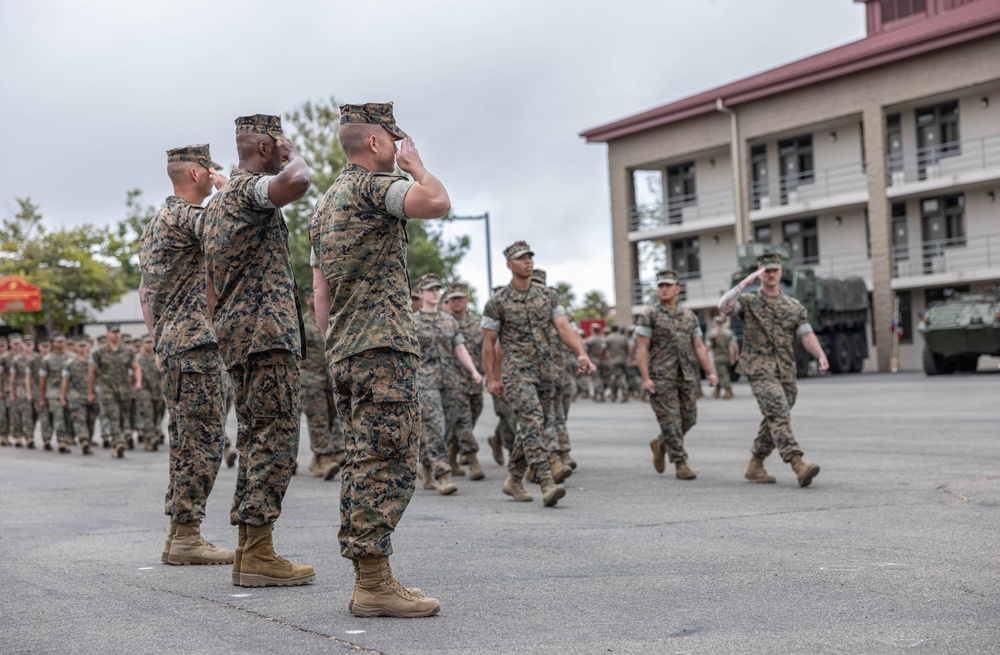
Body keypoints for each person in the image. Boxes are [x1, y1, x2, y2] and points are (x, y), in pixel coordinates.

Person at [310, 101, 447, 618]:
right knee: (389, 461)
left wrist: (336, 345)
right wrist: (417, 168)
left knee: (364, 458)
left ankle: (372, 577)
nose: (400, 147)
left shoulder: (324, 205)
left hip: (347, 348)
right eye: (396, 140)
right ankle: (373, 584)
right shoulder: (372, 187)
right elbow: (435, 201)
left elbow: (320, 293)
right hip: (382, 347)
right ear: (375, 143)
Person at [203, 117, 315, 587]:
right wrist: (295, 155)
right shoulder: (251, 188)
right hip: (266, 335)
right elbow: (300, 180)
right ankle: (258, 552)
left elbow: (209, 284)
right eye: (278, 144)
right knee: (276, 440)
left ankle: (250, 548)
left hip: (236, 334)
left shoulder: (215, 205)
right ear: (267, 146)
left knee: (254, 438)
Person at [139, 143, 234, 566]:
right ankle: (186, 536)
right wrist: (229, 189)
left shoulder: (155, 223)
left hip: (176, 343)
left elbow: (145, 293)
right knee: (203, 441)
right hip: (196, 344)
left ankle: (181, 532)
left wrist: (159, 340)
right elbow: (233, 227)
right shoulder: (189, 216)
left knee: (185, 439)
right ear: (196, 174)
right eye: (209, 168)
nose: (213, 173)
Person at [481, 241, 595, 507]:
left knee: (533, 426)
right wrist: (493, 377)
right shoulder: (497, 302)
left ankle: (514, 478)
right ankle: (546, 482)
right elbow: (489, 344)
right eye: (521, 258)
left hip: (546, 371)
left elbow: (564, 328)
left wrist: (581, 353)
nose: (528, 262)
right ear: (509, 264)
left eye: (530, 257)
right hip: (517, 372)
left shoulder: (548, 297)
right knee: (532, 420)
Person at [717, 252, 828, 487]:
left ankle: (755, 464)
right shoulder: (749, 301)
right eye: (766, 269)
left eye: (774, 269)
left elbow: (805, 333)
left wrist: (820, 355)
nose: (771, 273)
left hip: (786, 370)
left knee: (775, 416)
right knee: (778, 411)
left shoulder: (793, 306)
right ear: (759, 272)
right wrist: (746, 282)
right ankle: (798, 464)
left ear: (781, 272)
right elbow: (723, 306)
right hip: (759, 369)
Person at [635, 269, 718, 480]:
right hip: (661, 376)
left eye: (667, 285)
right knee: (671, 420)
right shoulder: (650, 315)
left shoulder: (689, 315)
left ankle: (661, 443)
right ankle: (681, 462)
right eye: (660, 286)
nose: (663, 289)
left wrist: (710, 372)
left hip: (686, 375)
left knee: (689, 418)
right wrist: (645, 378)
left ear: (677, 289)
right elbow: (642, 349)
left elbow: (698, 346)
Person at [443, 282, 487, 479]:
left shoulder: (477, 324)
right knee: (463, 422)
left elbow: (485, 350)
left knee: (472, 416)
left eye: (460, 298)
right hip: (452, 382)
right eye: (453, 299)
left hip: (474, 380)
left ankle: (452, 452)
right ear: (448, 302)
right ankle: (473, 460)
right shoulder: (444, 323)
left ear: (467, 300)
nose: (457, 302)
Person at [299, 287, 344, 481]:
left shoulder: (332, 321)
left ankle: (320, 457)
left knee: (332, 418)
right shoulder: (301, 322)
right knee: (318, 419)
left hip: (330, 379)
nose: (311, 298)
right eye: (309, 295)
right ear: (307, 299)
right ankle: (325, 459)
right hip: (310, 380)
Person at [89, 324, 141, 458]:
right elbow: (92, 372)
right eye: (113, 332)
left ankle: (118, 443)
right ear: (107, 334)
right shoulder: (99, 352)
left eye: (118, 332)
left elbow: (136, 367)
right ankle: (118, 443)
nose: (116, 334)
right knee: (113, 416)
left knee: (124, 418)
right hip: (108, 390)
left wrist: (138, 382)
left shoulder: (128, 351)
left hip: (124, 390)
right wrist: (91, 391)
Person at [61, 337, 99, 455]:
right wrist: (63, 397)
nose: (82, 348)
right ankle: (84, 441)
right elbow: (65, 380)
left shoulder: (94, 362)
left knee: (91, 420)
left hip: (92, 395)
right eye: (80, 346)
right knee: (79, 419)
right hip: (76, 396)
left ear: (88, 347)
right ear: (76, 348)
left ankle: (89, 437)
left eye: (84, 346)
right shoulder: (70, 363)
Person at [38, 333, 74, 452]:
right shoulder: (47, 359)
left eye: (63, 341)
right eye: (58, 342)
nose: (61, 344)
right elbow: (43, 380)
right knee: (58, 417)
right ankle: (61, 441)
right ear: (53, 344)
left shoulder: (72, 357)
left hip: (71, 392)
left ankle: (69, 436)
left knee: (68, 417)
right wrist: (42, 398)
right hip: (53, 393)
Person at [706, 316, 738, 400]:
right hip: (727, 356)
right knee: (722, 373)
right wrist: (734, 356)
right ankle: (717, 391)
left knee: (722, 374)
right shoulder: (728, 332)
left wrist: (704, 355)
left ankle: (727, 391)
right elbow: (733, 345)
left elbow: (708, 346)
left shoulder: (712, 333)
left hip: (717, 357)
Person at [604, 326, 630, 403]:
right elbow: (627, 348)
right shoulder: (623, 338)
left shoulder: (608, 338)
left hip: (613, 361)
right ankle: (617, 394)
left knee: (615, 377)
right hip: (622, 360)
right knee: (620, 376)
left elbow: (606, 351)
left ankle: (618, 393)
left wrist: (607, 361)